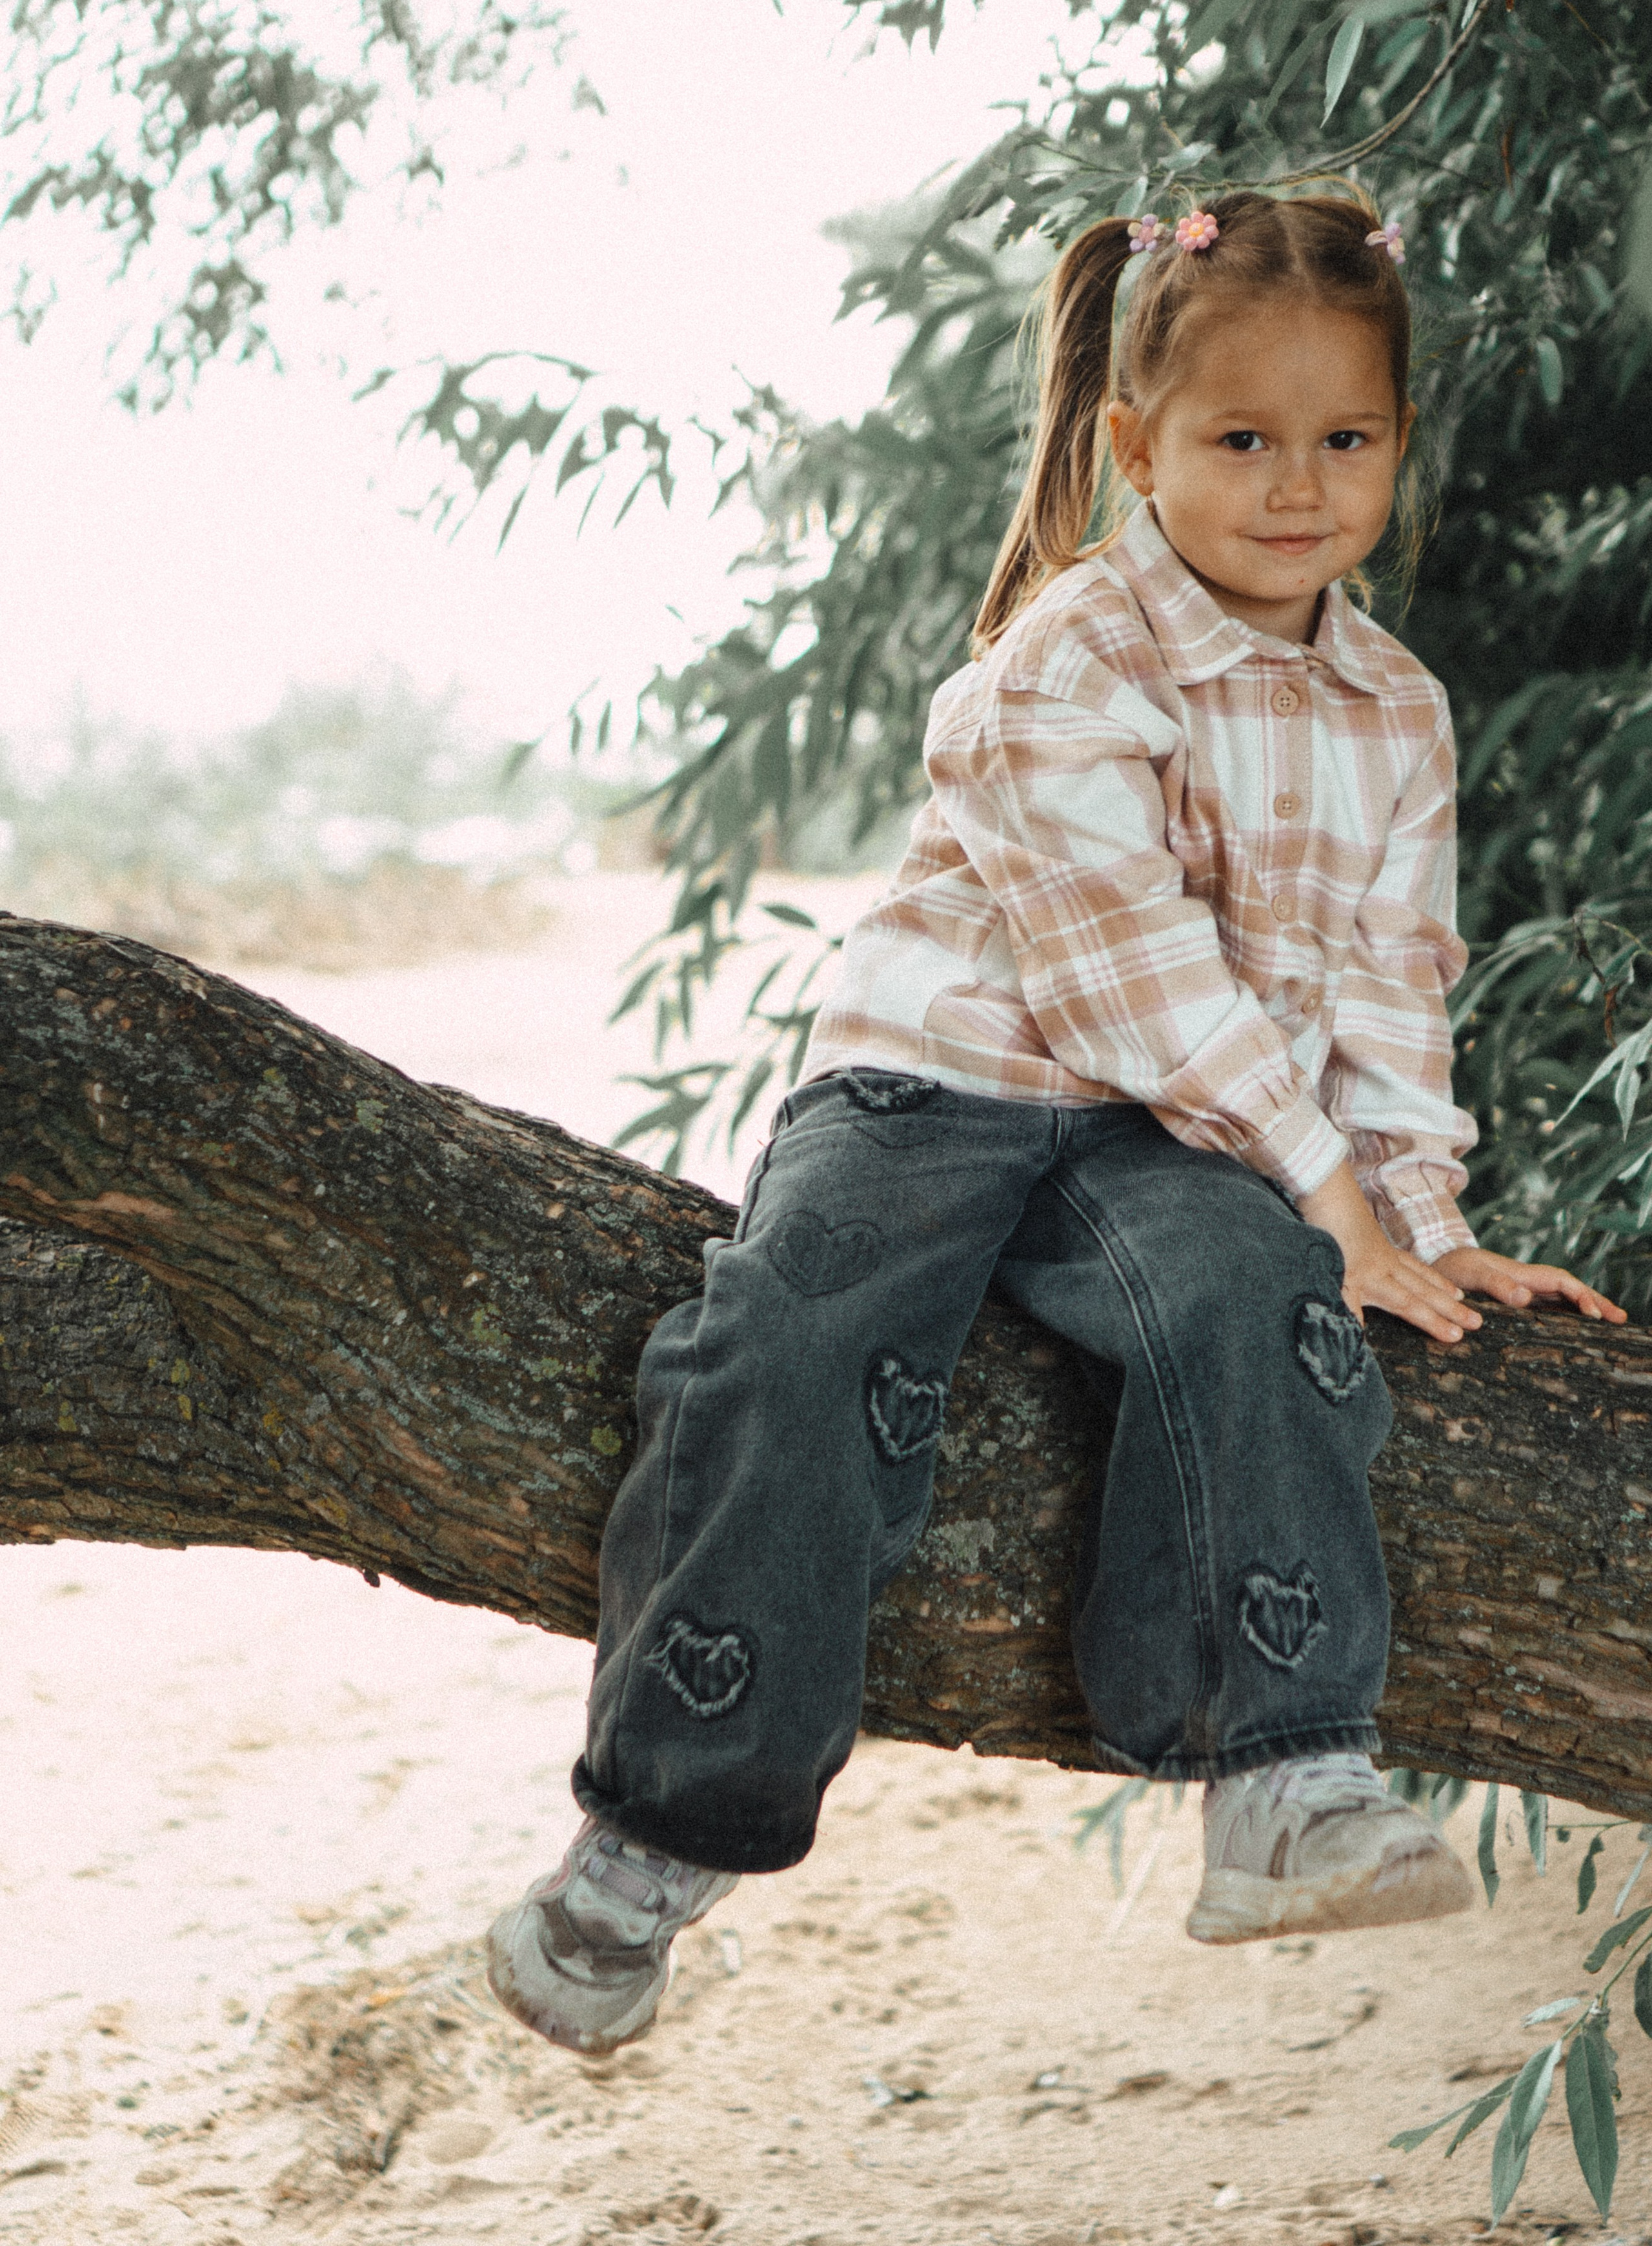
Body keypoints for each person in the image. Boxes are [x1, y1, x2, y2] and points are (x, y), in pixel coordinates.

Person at [487, 186, 1627, 2057]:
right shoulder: (1067, 660)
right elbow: (1131, 983)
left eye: (1345, 441)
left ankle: (1282, 1777)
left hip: (1170, 1137)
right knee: (794, 1340)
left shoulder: (1397, 712)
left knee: (1264, 1302)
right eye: (1241, 440)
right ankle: (655, 1838)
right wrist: (1328, 1185)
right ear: (1133, 445)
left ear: (1401, 447)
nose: (1297, 486)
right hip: (937, 1085)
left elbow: (1386, 986)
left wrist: (1410, 1222)